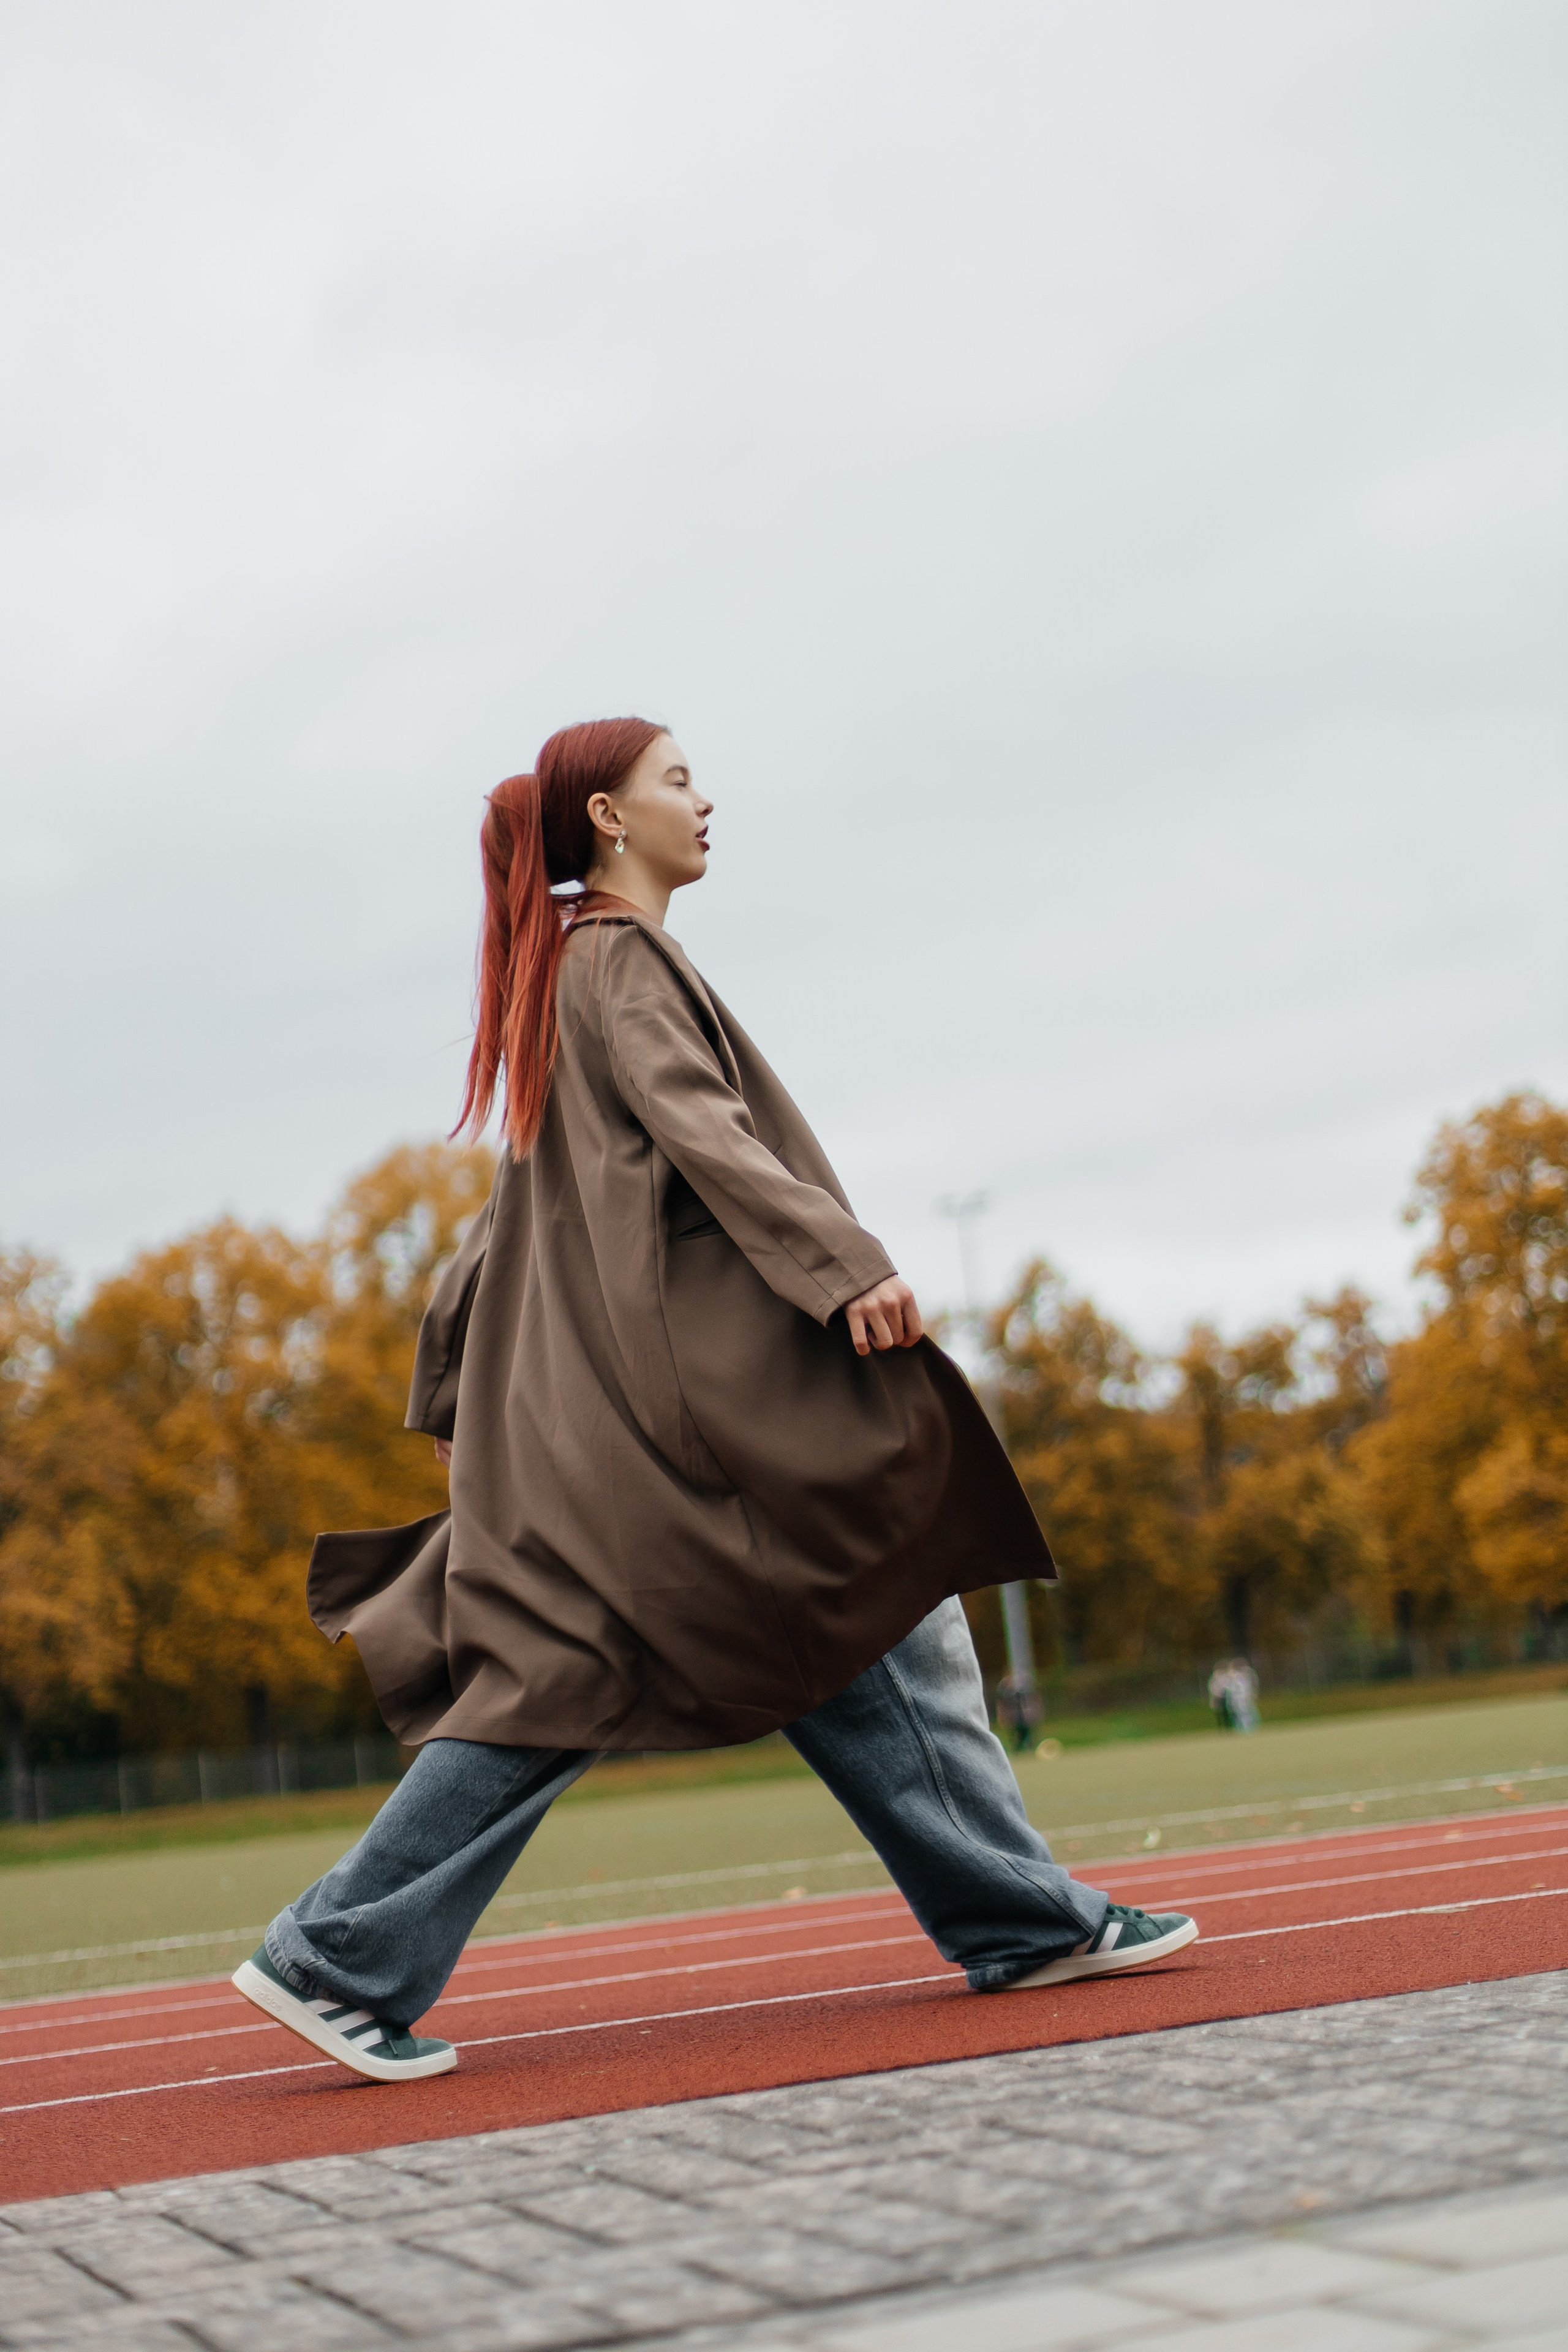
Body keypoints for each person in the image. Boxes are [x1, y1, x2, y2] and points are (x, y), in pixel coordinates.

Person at [233, 718, 1197, 2082]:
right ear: (609, 821)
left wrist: (453, 1379)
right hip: (683, 1409)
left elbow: (513, 1213)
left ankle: (1013, 1917)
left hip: (625, 1406)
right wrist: (841, 1262)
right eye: (677, 779)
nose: (704, 800)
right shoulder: (616, 961)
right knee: (598, 1668)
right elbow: (703, 1130)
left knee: (866, 1628)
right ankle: (331, 1957)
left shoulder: (561, 977)